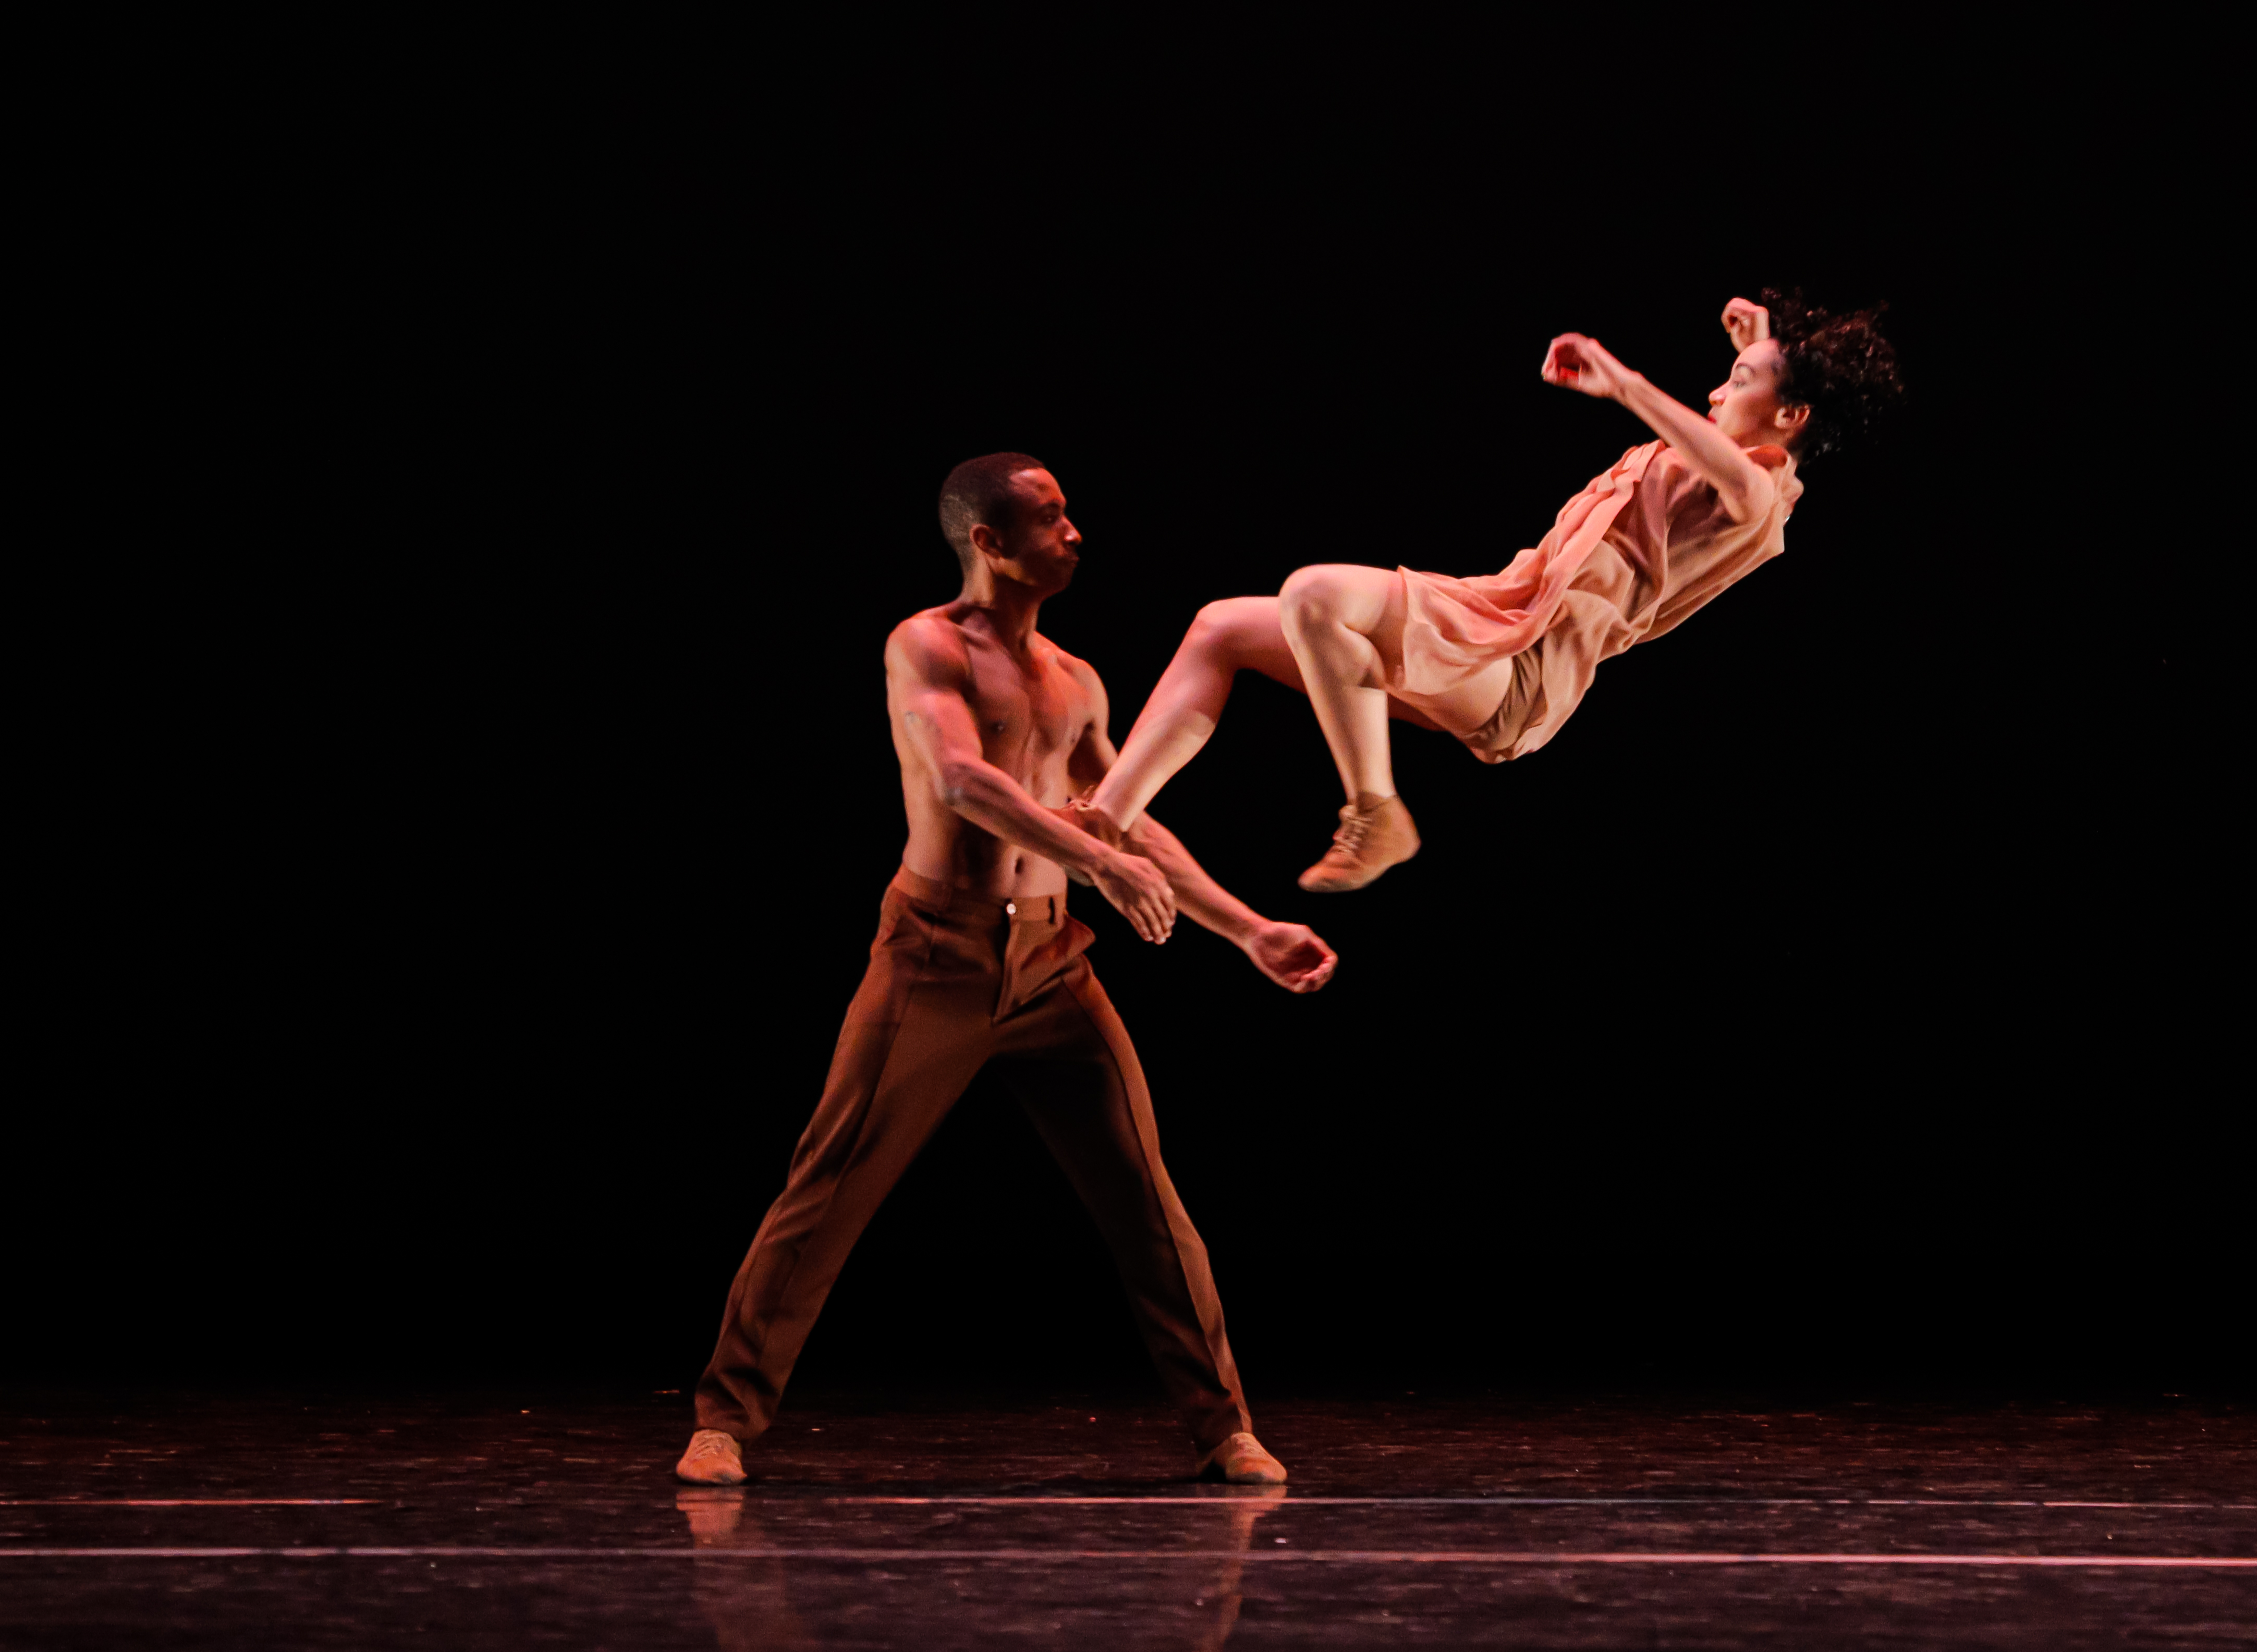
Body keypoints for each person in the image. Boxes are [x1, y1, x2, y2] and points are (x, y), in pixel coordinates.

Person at [675, 453, 1336, 1489]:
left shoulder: (1076, 679)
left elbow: (1127, 820)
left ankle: (1224, 1428)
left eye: (1069, 512)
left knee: (1147, 1200)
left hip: (1051, 961)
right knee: (830, 1182)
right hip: (935, 952)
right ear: (988, 541)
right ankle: (724, 1418)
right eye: (1048, 517)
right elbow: (960, 778)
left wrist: (1245, 929)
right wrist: (1099, 862)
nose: (1073, 532)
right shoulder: (926, 645)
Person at [1073, 292, 1904, 890]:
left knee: (1314, 594)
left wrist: (1623, 382)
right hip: (1490, 618)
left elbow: (1730, 464)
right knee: (1220, 627)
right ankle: (1107, 817)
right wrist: (1758, 346)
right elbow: (1720, 433)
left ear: (1791, 418)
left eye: (1738, 381)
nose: (1717, 391)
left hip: (1523, 670)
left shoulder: (1760, 503)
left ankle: (1375, 811)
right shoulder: (1725, 455)